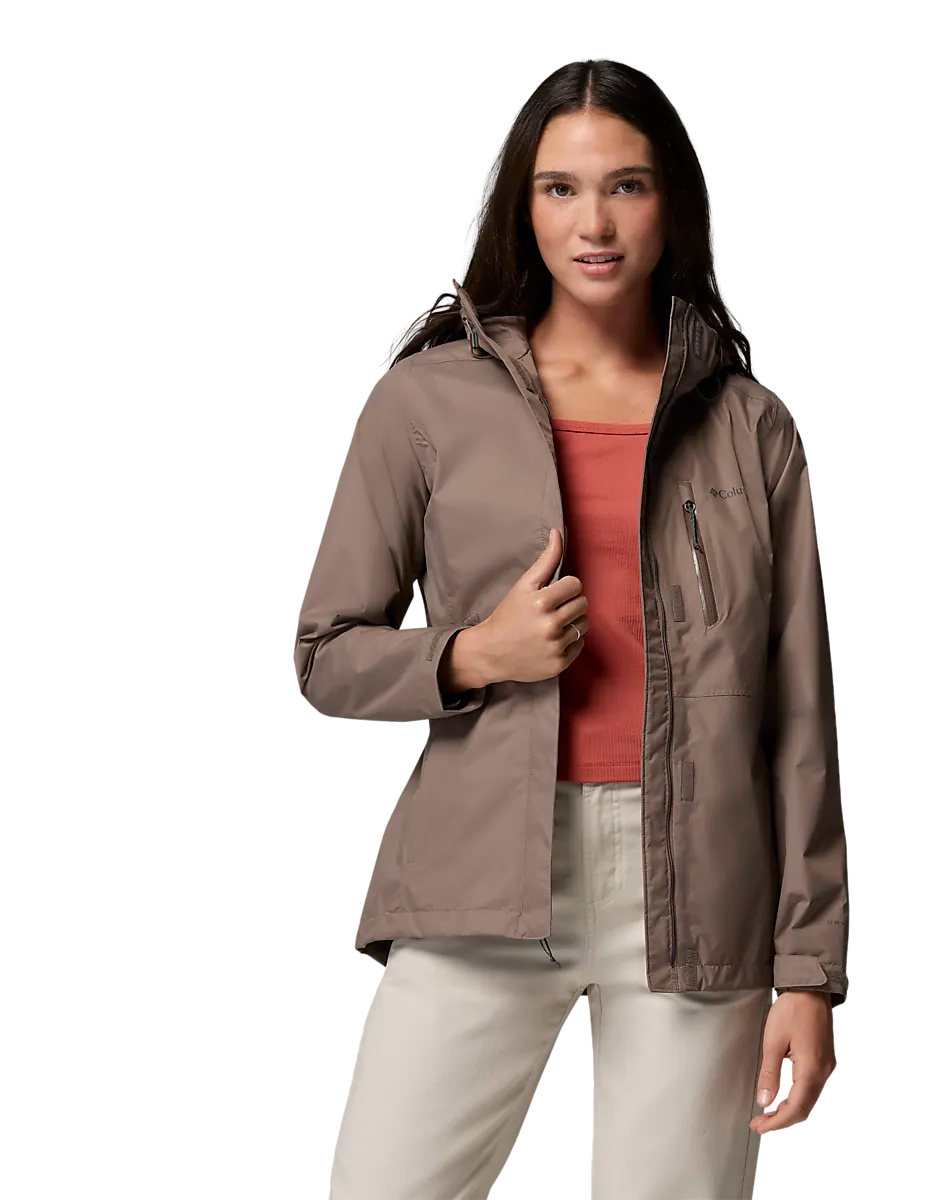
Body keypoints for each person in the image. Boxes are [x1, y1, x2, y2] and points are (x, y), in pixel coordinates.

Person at [296, 58, 849, 1200]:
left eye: (626, 186)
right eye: (560, 188)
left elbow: (800, 720)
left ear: (672, 205)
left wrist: (809, 971)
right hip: (484, 872)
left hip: (701, 893)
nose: (592, 223)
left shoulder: (751, 427)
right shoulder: (429, 401)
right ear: (522, 204)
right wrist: (471, 654)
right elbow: (325, 656)